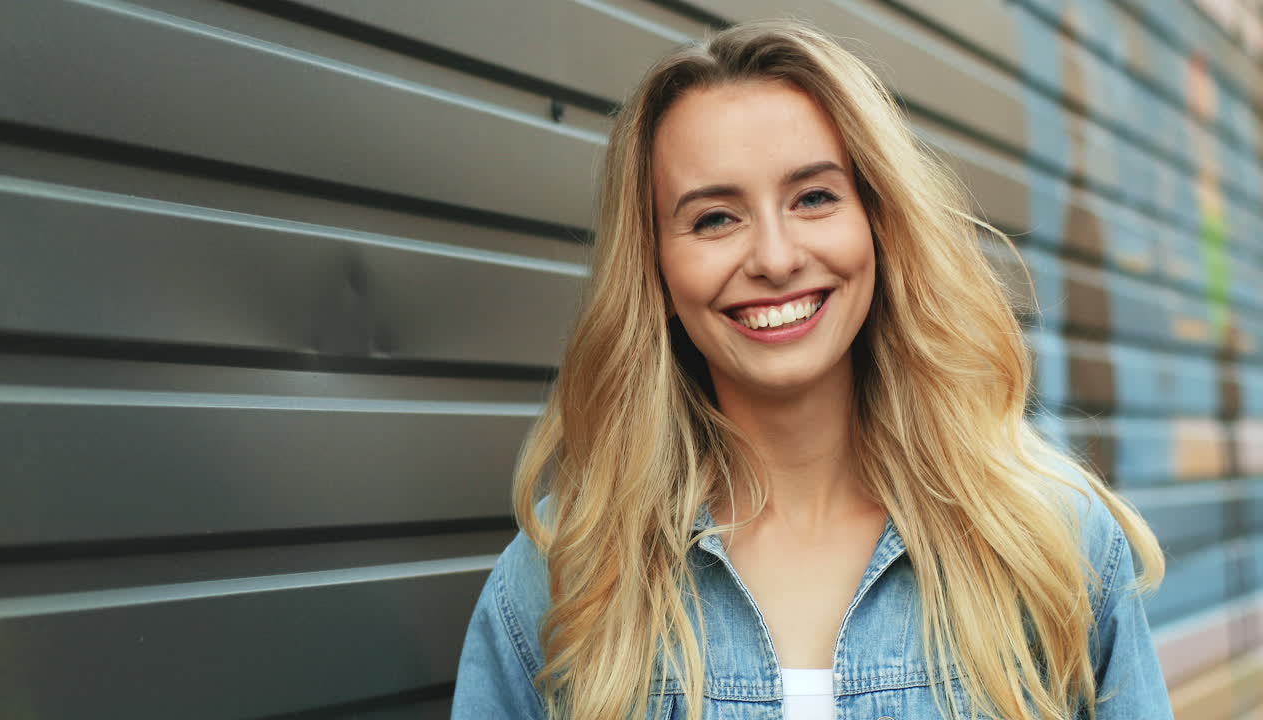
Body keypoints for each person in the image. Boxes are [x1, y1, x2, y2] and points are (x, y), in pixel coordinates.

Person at [451, 17, 1172, 720]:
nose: (774, 257)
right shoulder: (568, 569)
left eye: (814, 197)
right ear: (654, 269)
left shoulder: (1048, 540)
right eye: (714, 218)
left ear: (879, 225)